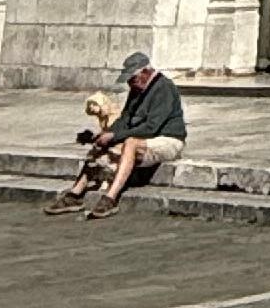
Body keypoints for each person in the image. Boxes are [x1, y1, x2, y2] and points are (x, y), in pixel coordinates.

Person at [57, 54, 187, 211]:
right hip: (142, 138)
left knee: (130, 143)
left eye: (133, 78)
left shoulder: (164, 87)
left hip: (168, 140)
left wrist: (115, 136)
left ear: (145, 72)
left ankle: (111, 198)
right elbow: (125, 119)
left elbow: (151, 128)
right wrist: (106, 134)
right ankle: (76, 193)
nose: (130, 83)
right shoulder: (137, 88)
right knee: (101, 146)